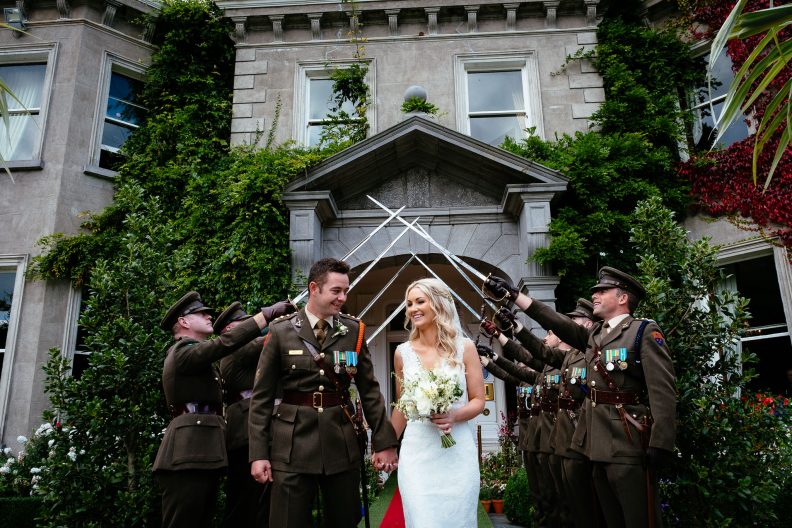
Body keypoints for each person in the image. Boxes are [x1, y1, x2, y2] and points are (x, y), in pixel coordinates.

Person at [485, 267, 676, 528]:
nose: (595, 295)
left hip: (627, 442)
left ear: (622, 298)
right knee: (607, 519)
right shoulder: (595, 337)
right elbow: (557, 323)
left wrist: (660, 443)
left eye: (602, 291)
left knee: (638, 519)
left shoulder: (642, 332)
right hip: (594, 446)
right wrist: (515, 296)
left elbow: (662, 390)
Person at [248, 258, 398, 528]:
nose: (343, 297)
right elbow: (261, 399)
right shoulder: (281, 331)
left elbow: (369, 390)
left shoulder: (354, 330)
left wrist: (384, 441)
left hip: (339, 441)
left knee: (344, 520)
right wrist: (258, 453)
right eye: (336, 291)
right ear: (314, 288)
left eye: (346, 291)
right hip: (291, 444)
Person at [153, 291, 292, 528]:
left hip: (203, 454)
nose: (208, 315)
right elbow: (225, 342)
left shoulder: (199, 358)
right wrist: (266, 316)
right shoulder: (182, 352)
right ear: (184, 322)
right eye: (200, 313)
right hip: (186, 456)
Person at [390, 278, 486, 528]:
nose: (413, 309)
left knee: (459, 520)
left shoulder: (465, 348)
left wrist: (454, 415)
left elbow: (478, 400)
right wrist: (386, 445)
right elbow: (402, 405)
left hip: (457, 451)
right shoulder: (402, 353)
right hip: (417, 452)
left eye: (420, 301)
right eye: (409, 304)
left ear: (439, 304)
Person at [215, 302, 274, 528]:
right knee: (244, 503)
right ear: (230, 332)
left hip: (255, 434)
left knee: (261, 504)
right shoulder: (236, 348)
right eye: (246, 326)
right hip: (245, 437)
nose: (254, 328)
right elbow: (270, 339)